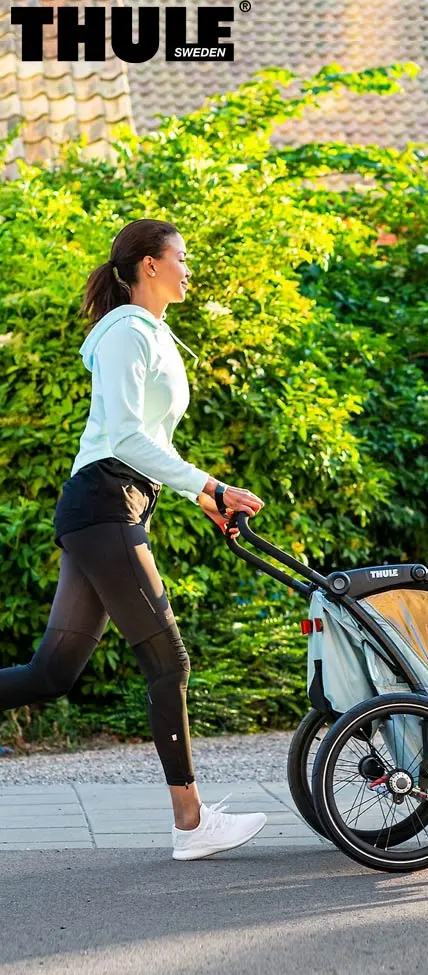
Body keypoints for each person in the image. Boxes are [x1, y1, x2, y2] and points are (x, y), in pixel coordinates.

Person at [0, 219, 269, 861]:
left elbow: (153, 442)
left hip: (110, 505)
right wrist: (212, 482)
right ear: (148, 265)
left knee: (51, 673)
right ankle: (191, 823)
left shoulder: (149, 333)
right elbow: (123, 438)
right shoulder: (126, 332)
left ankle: (191, 822)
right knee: (168, 662)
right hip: (104, 504)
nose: (188, 269)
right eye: (181, 258)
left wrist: (204, 497)